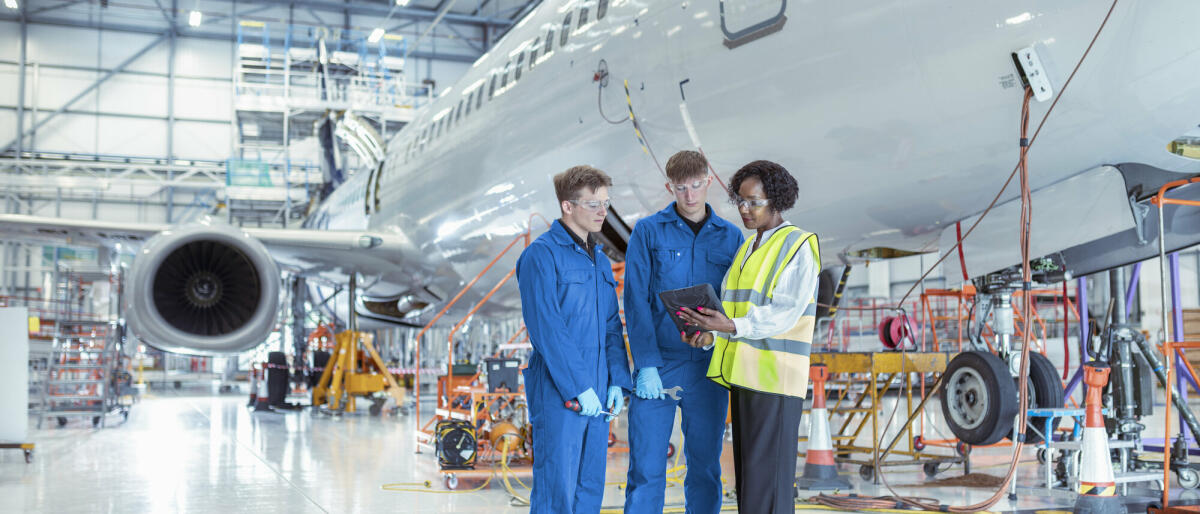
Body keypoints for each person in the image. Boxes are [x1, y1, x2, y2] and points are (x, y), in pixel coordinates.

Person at [676, 160, 820, 514]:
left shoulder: (797, 245)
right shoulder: (746, 248)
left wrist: (730, 326)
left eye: (753, 202)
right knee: (752, 487)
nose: (744, 209)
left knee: (767, 489)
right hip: (745, 378)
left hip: (776, 382)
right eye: (739, 201)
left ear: (776, 200)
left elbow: (784, 311)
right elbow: (731, 313)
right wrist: (709, 336)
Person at [622, 151, 744, 514]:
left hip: (708, 368)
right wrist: (645, 364)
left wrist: (715, 338)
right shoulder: (648, 231)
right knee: (645, 467)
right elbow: (636, 301)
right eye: (680, 188)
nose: (689, 195)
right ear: (668, 187)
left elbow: (736, 304)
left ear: (709, 182)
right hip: (658, 365)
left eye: (695, 186)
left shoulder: (730, 237)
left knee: (705, 468)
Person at [516, 165, 634, 514]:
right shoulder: (542, 255)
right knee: (558, 488)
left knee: (589, 486)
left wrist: (617, 380)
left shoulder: (598, 259)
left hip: (598, 389)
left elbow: (612, 325)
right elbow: (547, 328)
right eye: (594, 205)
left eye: (606, 204)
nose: (603, 213)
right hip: (560, 391)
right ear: (568, 206)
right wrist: (579, 386)